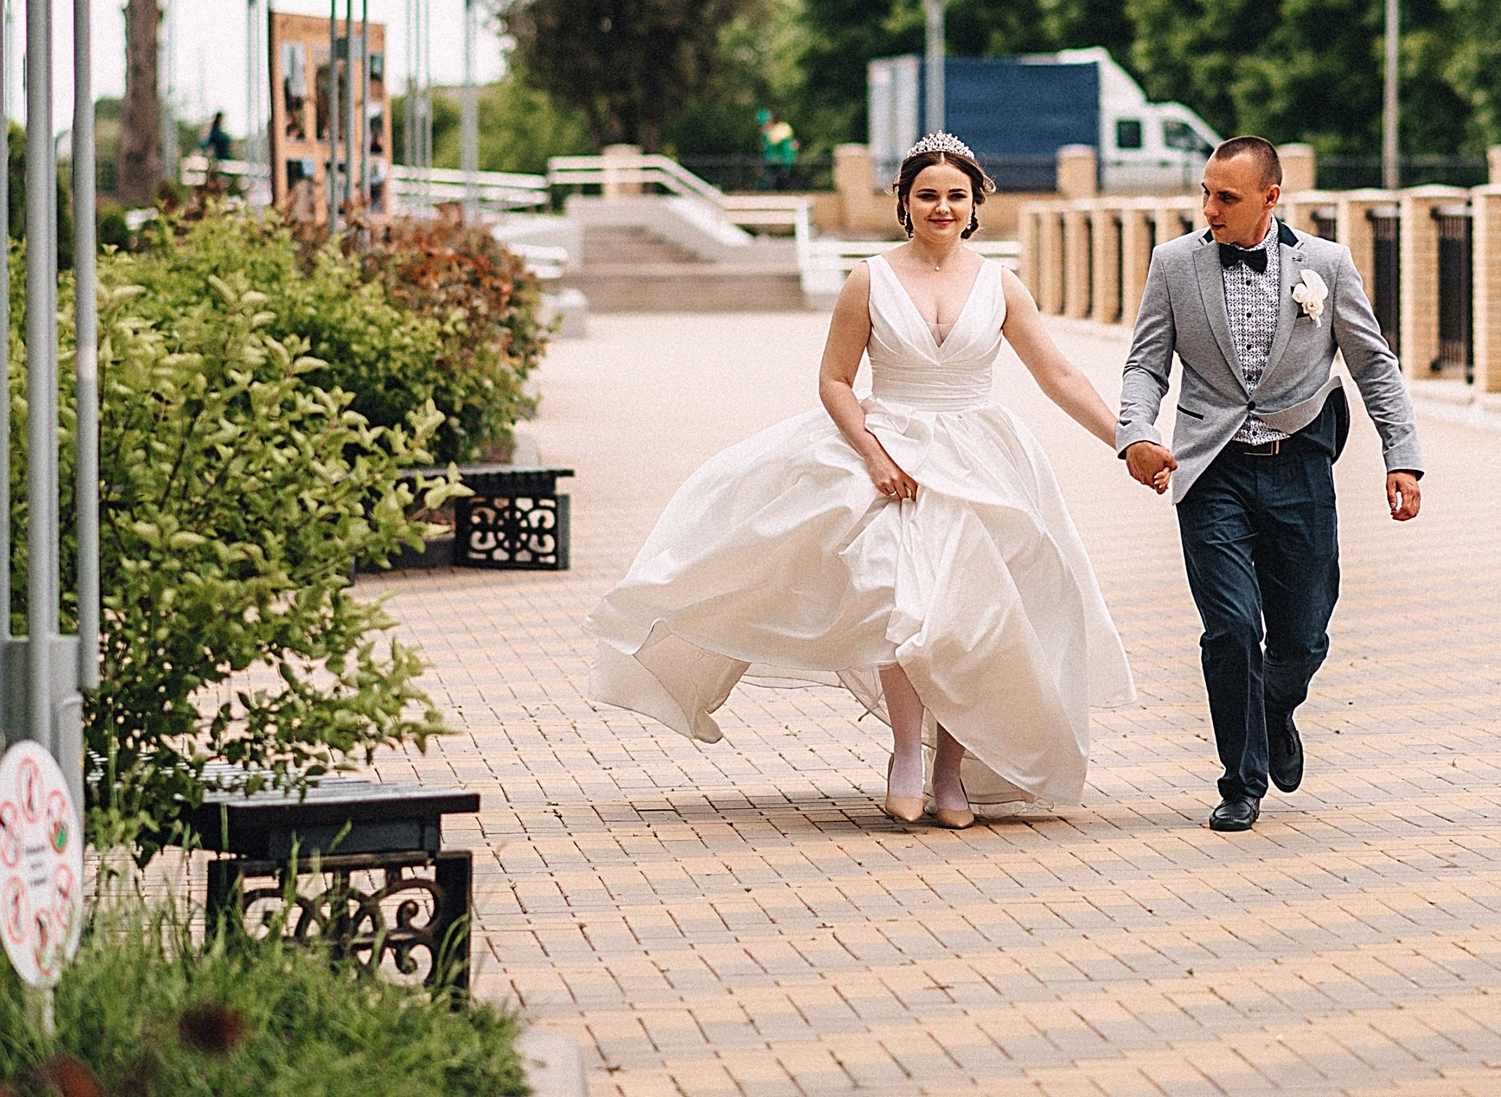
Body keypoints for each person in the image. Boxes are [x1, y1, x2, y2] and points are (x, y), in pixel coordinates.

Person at [589, 133, 1137, 826]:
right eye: (928, 194)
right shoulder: (869, 279)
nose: (943, 206)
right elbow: (835, 379)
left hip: (978, 461)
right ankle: (906, 750)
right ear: (905, 203)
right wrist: (875, 454)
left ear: (975, 207)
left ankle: (950, 769)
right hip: (893, 451)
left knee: (969, 619)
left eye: (956, 196)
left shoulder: (1000, 284)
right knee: (897, 603)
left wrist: (1129, 440)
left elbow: (1059, 374)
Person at [1117, 136, 1423, 833]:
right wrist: (1135, 432)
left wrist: (1400, 456)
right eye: (1205, 193)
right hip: (1211, 468)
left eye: (1226, 196)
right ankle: (1240, 780)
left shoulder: (1326, 265)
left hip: (1300, 463)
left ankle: (1274, 707)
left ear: (1271, 197)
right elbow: (1144, 365)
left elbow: (1375, 366)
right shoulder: (1173, 264)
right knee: (1229, 629)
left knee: (1303, 634)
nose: (1209, 208)